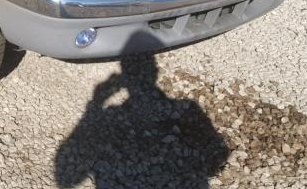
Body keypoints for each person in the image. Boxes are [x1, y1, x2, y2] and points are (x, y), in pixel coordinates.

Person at [55, 32, 229, 188]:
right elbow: (218, 155)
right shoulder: (190, 108)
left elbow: (67, 178)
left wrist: (95, 104)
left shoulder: (113, 114)